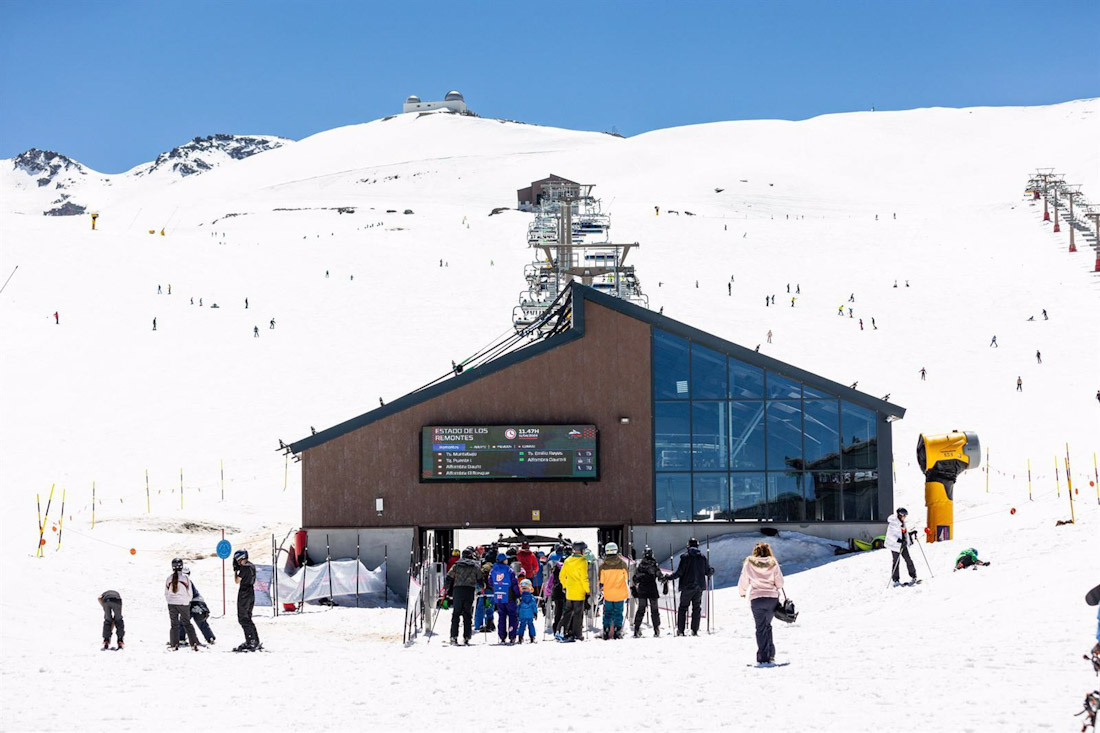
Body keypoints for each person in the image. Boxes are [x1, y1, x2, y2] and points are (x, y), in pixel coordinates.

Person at [738, 542, 784, 665]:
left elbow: (744, 579)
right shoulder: (773, 563)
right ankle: (771, 654)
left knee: (760, 627)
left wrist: (742, 592)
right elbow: (779, 583)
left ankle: (763, 656)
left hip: (757, 598)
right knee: (767, 625)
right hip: (771, 598)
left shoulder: (749, 563)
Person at [665, 538, 714, 636]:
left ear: (688, 546)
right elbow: (707, 571)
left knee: (683, 608)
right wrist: (712, 571)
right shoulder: (703, 557)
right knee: (696, 608)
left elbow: (679, 572)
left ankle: (681, 630)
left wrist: (670, 577)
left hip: (687, 587)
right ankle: (694, 630)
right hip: (698, 587)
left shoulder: (685, 557)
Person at [445, 547, 482, 645]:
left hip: (458, 590)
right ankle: (467, 636)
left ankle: (453, 636)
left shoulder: (457, 565)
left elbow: (449, 576)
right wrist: (481, 587)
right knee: (467, 614)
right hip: (469, 590)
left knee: (456, 614)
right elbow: (480, 578)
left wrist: (447, 589)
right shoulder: (475, 566)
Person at [165, 558, 199, 651]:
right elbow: (190, 592)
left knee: (174, 625)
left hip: (172, 603)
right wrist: (187, 601)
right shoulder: (186, 578)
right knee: (187, 623)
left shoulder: (169, 578)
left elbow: (166, 593)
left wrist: (170, 601)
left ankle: (174, 644)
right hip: (184, 604)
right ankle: (194, 643)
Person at [559, 542, 590, 641]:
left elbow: (561, 576)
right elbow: (584, 578)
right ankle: (577, 634)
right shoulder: (583, 561)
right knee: (578, 614)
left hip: (569, 591)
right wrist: (587, 590)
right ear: (581, 550)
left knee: (567, 612)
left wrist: (565, 586)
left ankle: (561, 630)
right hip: (579, 592)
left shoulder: (567, 561)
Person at [175, 568, 216, 645]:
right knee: (200, 620)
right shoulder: (187, 582)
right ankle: (210, 637)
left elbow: (187, 596)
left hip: (192, 602)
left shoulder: (184, 582)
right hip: (198, 601)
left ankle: (181, 638)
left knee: (184, 620)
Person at [599, 542, 629, 640]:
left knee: (607, 612)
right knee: (618, 612)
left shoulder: (603, 565)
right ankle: (617, 630)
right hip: (620, 592)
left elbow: (601, 581)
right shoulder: (622, 563)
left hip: (608, 593)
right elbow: (627, 577)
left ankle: (606, 629)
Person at [233, 549, 261, 651]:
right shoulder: (252, 566)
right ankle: (255, 640)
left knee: (243, 618)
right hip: (251, 592)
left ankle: (250, 641)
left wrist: (236, 571)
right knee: (248, 617)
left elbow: (237, 581)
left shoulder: (244, 568)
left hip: (244, 593)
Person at [490, 552, 520, 644]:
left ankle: (502, 636)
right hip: (509, 595)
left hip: (498, 595)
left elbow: (490, 582)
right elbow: (514, 583)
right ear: (503, 560)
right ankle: (512, 636)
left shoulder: (493, 570)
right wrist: (518, 595)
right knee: (512, 616)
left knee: (501, 616)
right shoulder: (509, 570)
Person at [632, 547, 662, 637]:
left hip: (642, 590)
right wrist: (664, 579)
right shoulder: (654, 565)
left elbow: (635, 579)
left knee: (641, 610)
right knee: (654, 610)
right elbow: (660, 576)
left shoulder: (640, 565)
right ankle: (656, 629)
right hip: (652, 589)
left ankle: (636, 629)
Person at [885, 508, 918, 586]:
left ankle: (914, 576)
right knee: (896, 561)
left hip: (903, 545)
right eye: (904, 516)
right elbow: (890, 535)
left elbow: (903, 532)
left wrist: (910, 533)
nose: (905, 517)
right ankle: (895, 579)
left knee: (908, 559)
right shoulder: (893, 523)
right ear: (900, 515)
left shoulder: (902, 522)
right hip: (894, 546)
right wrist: (899, 541)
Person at [543, 548, 566, 636]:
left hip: (557, 593)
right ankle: (565, 628)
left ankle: (556, 628)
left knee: (558, 612)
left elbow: (550, 583)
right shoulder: (568, 569)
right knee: (567, 612)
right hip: (566, 592)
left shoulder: (556, 570)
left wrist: (547, 594)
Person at [517, 578, 538, 643]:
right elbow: (534, 606)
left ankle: (520, 636)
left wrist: (517, 613)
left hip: (522, 614)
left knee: (522, 625)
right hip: (530, 614)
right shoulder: (532, 598)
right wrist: (535, 613)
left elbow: (518, 606)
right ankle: (532, 637)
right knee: (530, 625)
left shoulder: (520, 598)